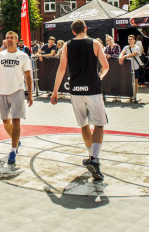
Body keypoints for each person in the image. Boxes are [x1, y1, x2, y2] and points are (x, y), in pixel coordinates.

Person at [51, 20, 109, 180]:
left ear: (73, 31)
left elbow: (61, 69)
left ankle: (90, 155)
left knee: (83, 124)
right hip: (93, 89)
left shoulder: (67, 46)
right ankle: (95, 159)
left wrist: (55, 91)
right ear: (85, 28)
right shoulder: (95, 44)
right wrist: (100, 77)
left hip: (75, 90)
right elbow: (106, 66)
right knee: (98, 124)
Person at [0, 31, 33, 165]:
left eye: (12, 38)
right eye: (7, 38)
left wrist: (30, 94)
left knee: (16, 121)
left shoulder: (23, 56)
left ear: (16, 40)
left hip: (17, 92)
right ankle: (16, 139)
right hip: (2, 92)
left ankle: (13, 150)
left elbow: (28, 76)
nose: (9, 40)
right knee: (5, 122)